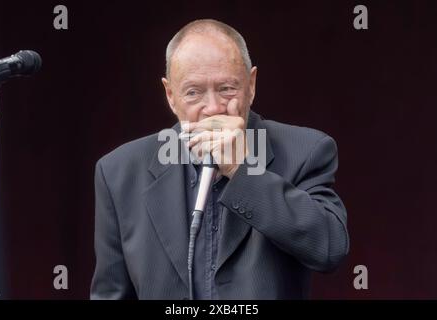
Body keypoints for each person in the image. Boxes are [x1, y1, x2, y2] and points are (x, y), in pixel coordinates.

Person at [90, 19, 349, 300]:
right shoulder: (119, 171)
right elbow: (110, 294)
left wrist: (243, 170)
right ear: (170, 95)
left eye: (227, 88)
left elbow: (330, 249)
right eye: (193, 92)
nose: (213, 108)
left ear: (251, 84)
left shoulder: (305, 150)